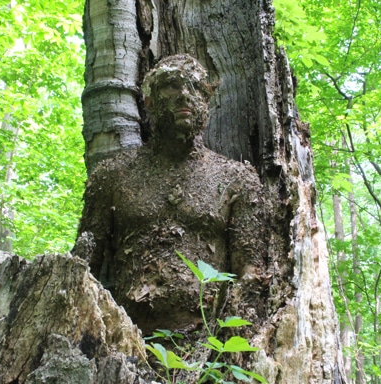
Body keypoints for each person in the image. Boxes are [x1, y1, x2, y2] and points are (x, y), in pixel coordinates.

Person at [72, 54, 268, 335]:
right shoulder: (112, 176)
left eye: (196, 88)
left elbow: (250, 276)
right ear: (149, 100)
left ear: (207, 103)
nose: (185, 95)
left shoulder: (237, 179)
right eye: (172, 85)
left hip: (211, 345)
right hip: (127, 340)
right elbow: (83, 268)